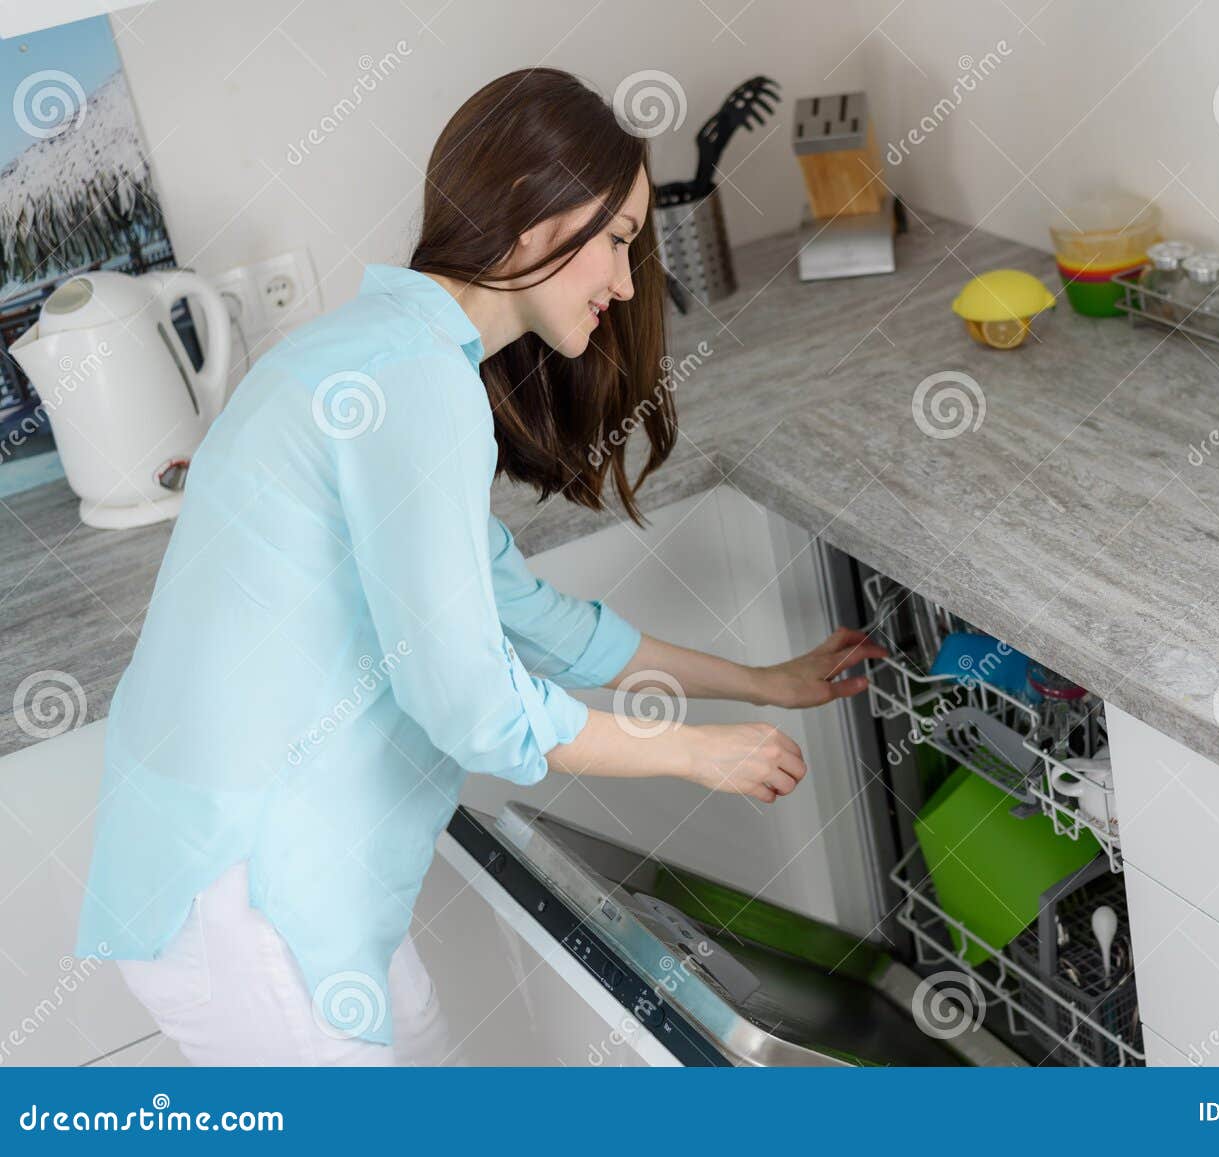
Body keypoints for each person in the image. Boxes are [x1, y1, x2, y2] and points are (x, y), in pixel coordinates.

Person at [75, 67, 885, 1066]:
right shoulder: (413, 383)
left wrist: (758, 683)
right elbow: (472, 705)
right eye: (620, 239)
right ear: (536, 215)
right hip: (253, 897)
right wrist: (696, 752)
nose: (628, 283)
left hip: (280, 888)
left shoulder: (384, 351)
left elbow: (527, 614)